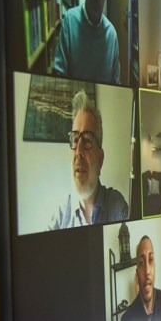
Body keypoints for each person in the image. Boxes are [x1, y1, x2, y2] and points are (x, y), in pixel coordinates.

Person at [49, 89, 129, 229]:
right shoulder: (60, 214)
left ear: (100, 160)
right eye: (74, 140)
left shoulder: (117, 206)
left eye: (86, 141)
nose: (78, 152)